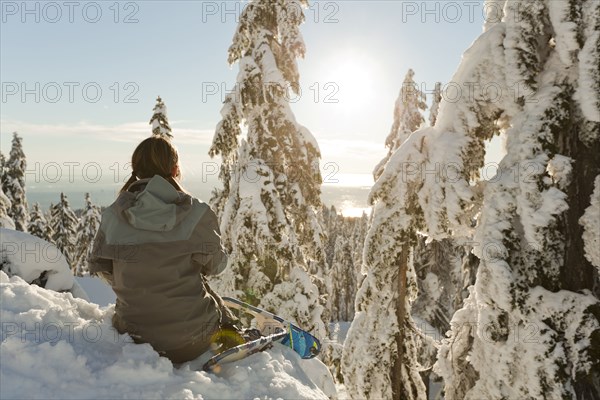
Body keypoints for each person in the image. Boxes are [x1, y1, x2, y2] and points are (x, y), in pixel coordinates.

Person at [89, 136, 243, 364]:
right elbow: (216, 266)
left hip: (132, 337)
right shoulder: (196, 213)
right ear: (175, 169)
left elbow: (101, 267)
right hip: (191, 341)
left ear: (136, 170)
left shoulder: (113, 215)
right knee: (205, 289)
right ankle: (233, 329)